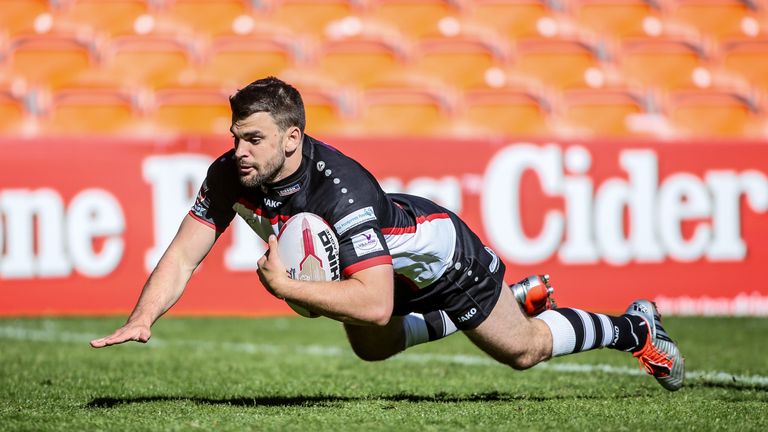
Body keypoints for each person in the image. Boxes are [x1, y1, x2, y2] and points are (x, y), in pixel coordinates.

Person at [90, 77, 684, 391]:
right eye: (235, 136)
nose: (239, 151)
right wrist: (144, 318)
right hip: (380, 268)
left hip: (442, 257)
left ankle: (635, 326)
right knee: (367, 347)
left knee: (522, 351)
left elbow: (374, 305)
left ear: (292, 139)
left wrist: (288, 289)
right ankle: (515, 298)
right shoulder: (231, 174)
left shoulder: (340, 190)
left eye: (254, 139)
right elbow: (181, 256)